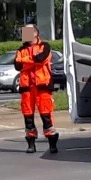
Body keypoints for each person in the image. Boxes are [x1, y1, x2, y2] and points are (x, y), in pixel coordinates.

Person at [14, 24, 59, 154]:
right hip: (27, 87)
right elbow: (17, 65)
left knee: (46, 116)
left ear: (35, 33)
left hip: (42, 86)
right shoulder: (20, 49)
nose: (24, 33)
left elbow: (41, 59)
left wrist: (25, 61)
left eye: (27, 31)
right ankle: (31, 143)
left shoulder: (45, 46)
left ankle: (52, 143)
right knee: (28, 116)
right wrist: (31, 61)